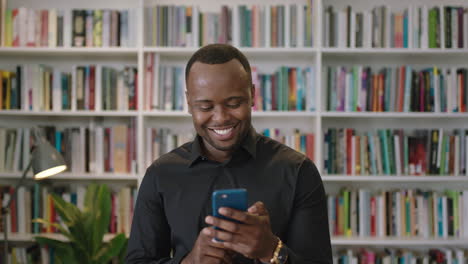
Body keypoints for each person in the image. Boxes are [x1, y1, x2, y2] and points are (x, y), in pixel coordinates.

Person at [126, 44, 332, 264]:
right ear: (188, 104)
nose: (221, 118)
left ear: (252, 95)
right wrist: (190, 262)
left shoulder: (298, 171)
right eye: (205, 107)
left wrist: (270, 250)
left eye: (234, 103)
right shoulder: (161, 175)